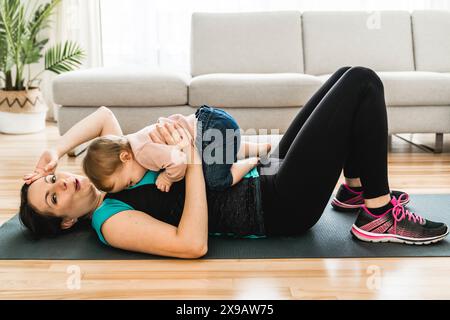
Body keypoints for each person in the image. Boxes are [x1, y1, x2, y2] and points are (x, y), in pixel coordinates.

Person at [20, 66, 448, 259]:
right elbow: (192, 244)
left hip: (266, 175)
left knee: (343, 76)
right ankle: (377, 216)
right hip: (277, 207)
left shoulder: (111, 164)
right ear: (64, 223)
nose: (63, 185)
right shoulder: (109, 218)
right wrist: (190, 160)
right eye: (53, 198)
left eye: (54, 180)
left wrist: (54, 151)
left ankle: (356, 189)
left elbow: (102, 115)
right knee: (362, 84)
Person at [82, 105, 271, 193]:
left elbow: (179, 161)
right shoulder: (134, 140)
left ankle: (250, 162)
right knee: (218, 152)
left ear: (125, 157)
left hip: (208, 130)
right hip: (210, 121)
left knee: (215, 180)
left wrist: (168, 177)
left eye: (129, 182)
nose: (134, 184)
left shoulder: (143, 153)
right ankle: (258, 148)